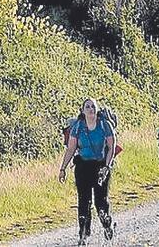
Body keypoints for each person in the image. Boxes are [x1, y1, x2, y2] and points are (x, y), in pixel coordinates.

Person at [58, 98, 117, 244]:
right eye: (87, 107)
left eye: (93, 107)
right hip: (83, 167)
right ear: (83, 111)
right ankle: (83, 235)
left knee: (100, 201)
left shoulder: (104, 125)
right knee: (84, 201)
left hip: (101, 167)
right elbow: (71, 148)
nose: (90, 109)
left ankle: (107, 224)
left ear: (97, 110)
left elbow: (112, 146)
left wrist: (107, 166)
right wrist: (63, 168)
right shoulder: (78, 127)